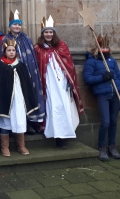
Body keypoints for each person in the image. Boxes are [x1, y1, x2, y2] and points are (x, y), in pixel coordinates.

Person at [34, 16, 84, 148]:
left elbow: (70, 66)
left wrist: (69, 81)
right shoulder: (38, 48)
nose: (48, 34)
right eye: (46, 32)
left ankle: (63, 137)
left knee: (64, 107)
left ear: (54, 33)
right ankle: (53, 134)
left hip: (62, 84)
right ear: (42, 33)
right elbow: (36, 67)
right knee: (52, 108)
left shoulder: (62, 46)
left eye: (51, 32)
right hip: (48, 84)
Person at [0, 38, 39, 157]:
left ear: (16, 52)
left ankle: (21, 145)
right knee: (5, 123)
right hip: (4, 100)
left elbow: (27, 83)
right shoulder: (0, 66)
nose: (11, 52)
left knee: (19, 120)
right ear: (4, 52)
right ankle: (4, 147)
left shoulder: (21, 65)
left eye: (13, 50)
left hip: (18, 99)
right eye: (9, 50)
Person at [0, 10, 45, 133]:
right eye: (14, 24)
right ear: (10, 25)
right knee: (14, 99)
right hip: (11, 74)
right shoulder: (5, 39)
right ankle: (11, 126)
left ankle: (29, 122)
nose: (17, 26)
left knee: (27, 96)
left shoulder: (26, 39)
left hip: (27, 73)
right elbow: (1, 57)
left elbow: (32, 58)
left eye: (19, 24)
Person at [83, 34, 120, 161]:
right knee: (106, 121)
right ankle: (102, 147)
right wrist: (103, 77)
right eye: (103, 47)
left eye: (107, 47)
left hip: (115, 95)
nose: (105, 49)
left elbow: (118, 78)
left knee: (113, 121)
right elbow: (87, 79)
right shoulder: (91, 61)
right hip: (103, 95)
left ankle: (112, 146)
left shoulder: (112, 61)